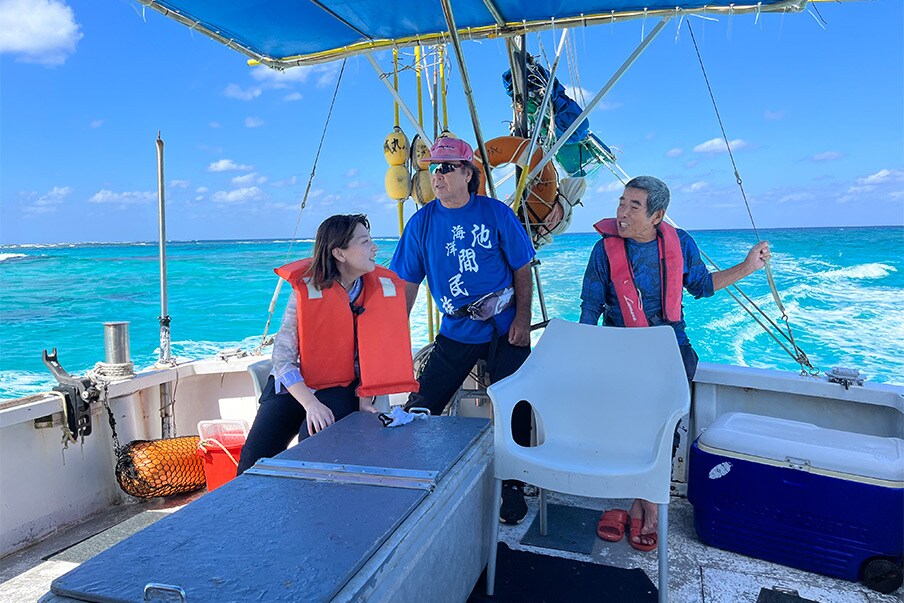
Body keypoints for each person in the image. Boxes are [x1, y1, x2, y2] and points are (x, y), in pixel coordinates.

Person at [580, 175, 771, 551]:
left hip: (670, 347)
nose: (622, 212)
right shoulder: (604, 251)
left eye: (634, 206)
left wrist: (747, 266)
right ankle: (630, 498)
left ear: (657, 215)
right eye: (621, 203)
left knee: (663, 428)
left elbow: (701, 287)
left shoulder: (680, 243)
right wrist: (585, 354)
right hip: (621, 348)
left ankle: (646, 502)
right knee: (621, 427)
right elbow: (589, 307)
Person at [390, 137, 536, 524]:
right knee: (421, 404)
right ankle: (410, 476)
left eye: (446, 167)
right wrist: (391, 340)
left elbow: (523, 269)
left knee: (516, 406)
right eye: (432, 168)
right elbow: (407, 284)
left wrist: (522, 321)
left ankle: (514, 485)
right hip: (455, 331)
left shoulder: (497, 214)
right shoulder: (421, 223)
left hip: (505, 328)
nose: (436, 175)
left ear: (468, 174)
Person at [237, 214, 419, 475]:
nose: (375, 248)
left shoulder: (377, 290)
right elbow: (283, 357)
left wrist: (366, 399)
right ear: (339, 253)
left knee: (311, 448)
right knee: (252, 462)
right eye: (365, 241)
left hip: (340, 386)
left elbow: (373, 354)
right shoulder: (307, 289)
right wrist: (310, 404)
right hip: (295, 386)